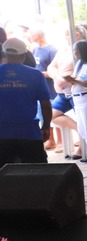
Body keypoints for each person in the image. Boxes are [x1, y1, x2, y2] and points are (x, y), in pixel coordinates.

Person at [0, 38, 51, 168]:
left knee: (3, 175)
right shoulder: (35, 74)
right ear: (23, 55)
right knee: (36, 172)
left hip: (2, 134)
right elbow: (45, 104)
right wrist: (46, 126)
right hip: (29, 133)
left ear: (4, 54)